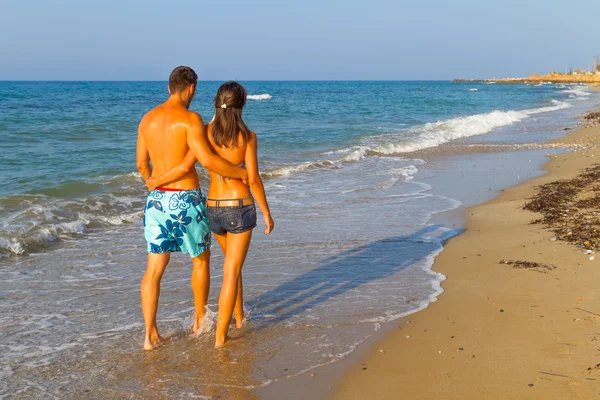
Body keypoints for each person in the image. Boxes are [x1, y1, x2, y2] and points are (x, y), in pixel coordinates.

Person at [147, 81, 274, 348]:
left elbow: (186, 164)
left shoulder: (204, 132)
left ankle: (239, 318)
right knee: (232, 270)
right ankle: (221, 338)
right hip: (239, 207)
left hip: (212, 209)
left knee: (231, 265)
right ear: (242, 105)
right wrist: (266, 212)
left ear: (216, 102)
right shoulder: (248, 137)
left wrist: (156, 180)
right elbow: (254, 179)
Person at [136, 67, 248, 351]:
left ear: (168, 87)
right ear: (192, 88)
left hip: (157, 201)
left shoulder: (146, 120)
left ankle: (149, 335)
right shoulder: (190, 119)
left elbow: (140, 164)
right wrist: (239, 173)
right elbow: (207, 160)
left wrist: (154, 181)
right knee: (200, 260)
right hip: (186, 199)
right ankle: (199, 320)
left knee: (154, 270)